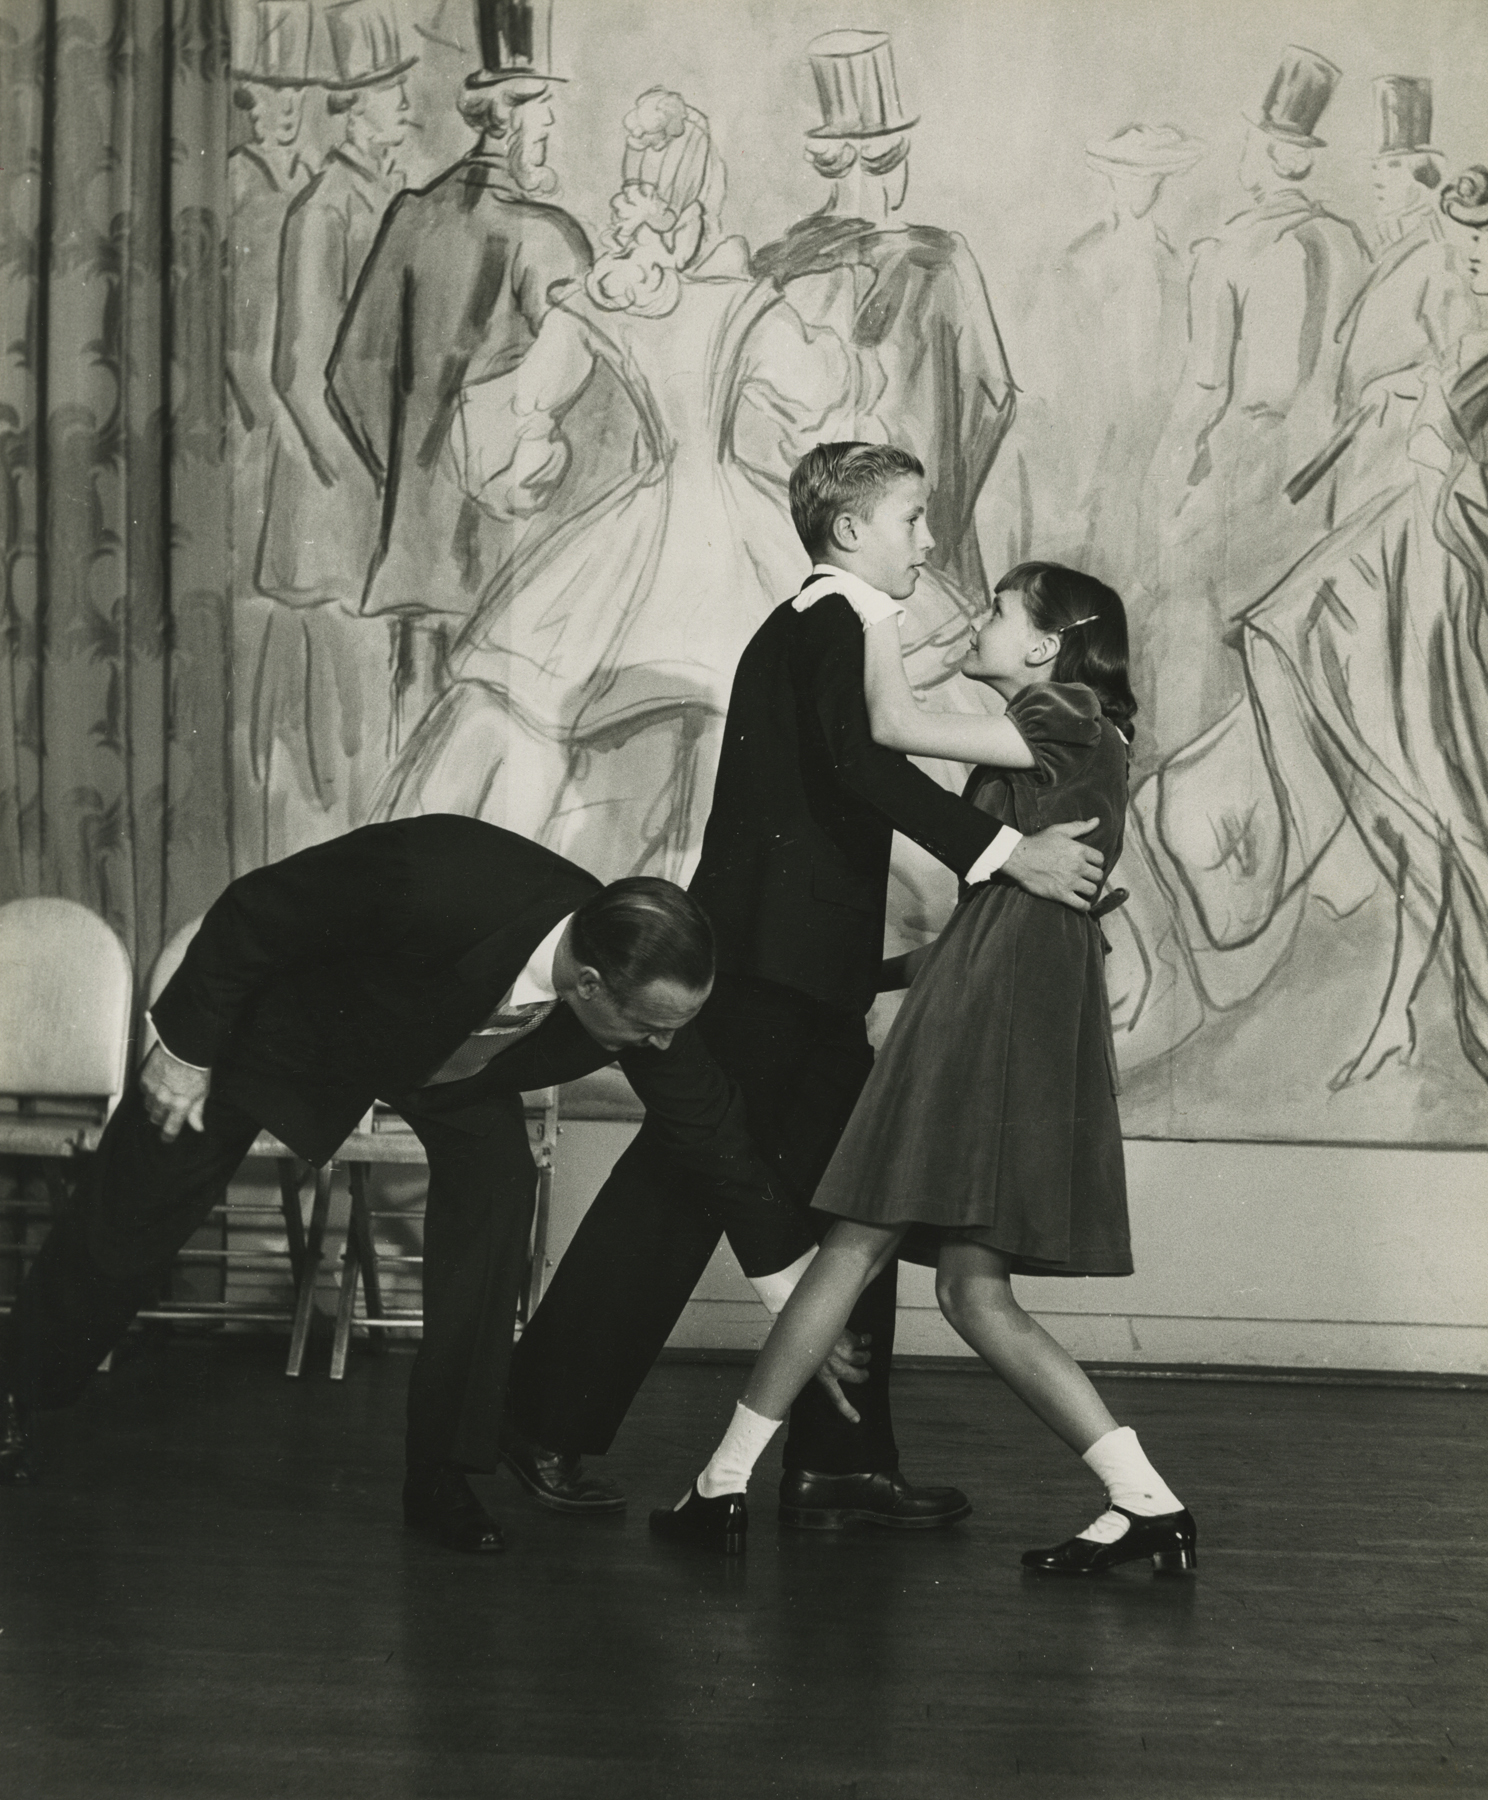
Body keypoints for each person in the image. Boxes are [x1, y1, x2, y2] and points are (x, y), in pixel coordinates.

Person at [502, 443, 1105, 1533]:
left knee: (852, 1208)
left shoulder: (834, 626)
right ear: (850, 532)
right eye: (913, 519)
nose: (929, 540)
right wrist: (1009, 855)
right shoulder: (833, 620)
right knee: (684, 1192)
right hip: (766, 977)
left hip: (803, 979)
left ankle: (843, 1468)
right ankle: (541, 1423)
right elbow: (862, 765)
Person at [0, 818, 817, 1556]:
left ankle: (440, 1475)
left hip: (451, 1066)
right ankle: (17, 1385)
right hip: (300, 1029)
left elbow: (713, 1129)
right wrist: (184, 1050)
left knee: (498, 1191)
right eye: (651, 1028)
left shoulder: (640, 987)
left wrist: (792, 1293)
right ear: (592, 983)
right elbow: (255, 910)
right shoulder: (435, 875)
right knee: (134, 1205)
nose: (663, 1044)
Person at [654, 561, 1194, 1577]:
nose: (978, 620)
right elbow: (997, 910)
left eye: (998, 610)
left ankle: (720, 1484)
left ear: (1045, 646)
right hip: (1008, 992)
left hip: (993, 1007)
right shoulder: (1062, 733)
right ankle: (1146, 1501)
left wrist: (865, 603)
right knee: (972, 1293)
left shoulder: (1064, 712)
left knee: (854, 1242)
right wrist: (882, 971)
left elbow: (891, 724)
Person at [369, 90, 854, 882]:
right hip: (733, 533)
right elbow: (820, 398)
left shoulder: (600, 301)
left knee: (588, 728)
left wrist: (540, 467)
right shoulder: (743, 305)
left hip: (630, 538)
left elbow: (521, 415)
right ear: (703, 203)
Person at [1146, 45, 1369, 755]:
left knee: (1192, 652)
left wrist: (1165, 481)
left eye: (1250, 139)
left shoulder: (1230, 250)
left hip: (1241, 481)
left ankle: (1176, 794)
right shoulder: (1352, 245)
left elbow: (1207, 387)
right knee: (1293, 664)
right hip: (1325, 493)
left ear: (1271, 153)